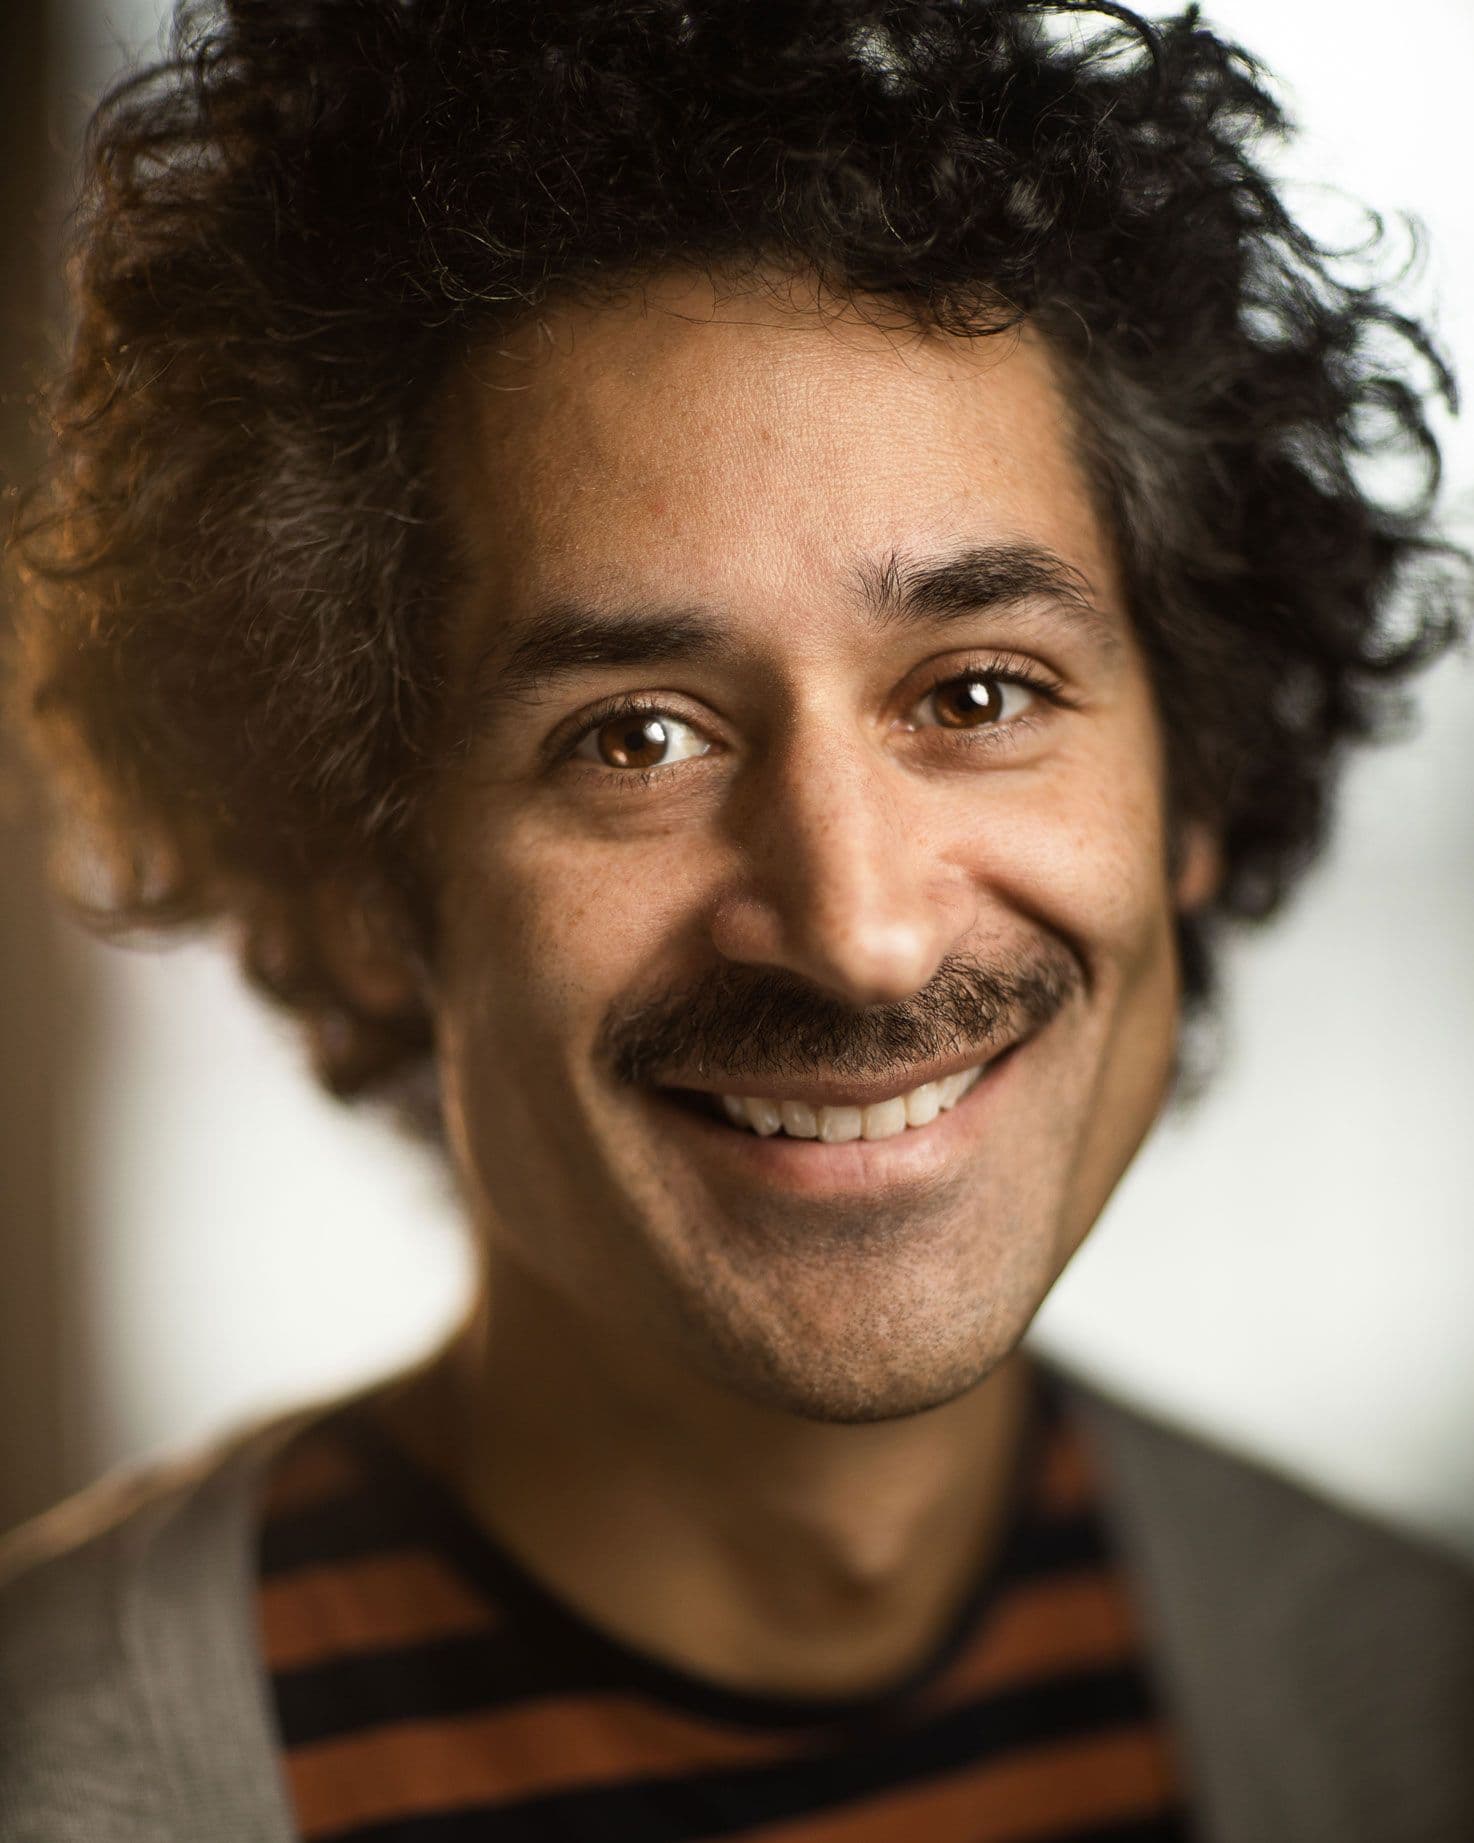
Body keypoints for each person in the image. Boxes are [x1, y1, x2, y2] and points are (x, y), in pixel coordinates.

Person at [2, 1, 1471, 1838]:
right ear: (365, 889)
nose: (859, 934)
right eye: (635, 737)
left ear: (1191, 782)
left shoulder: (1412, 1709)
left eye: (979, 694)